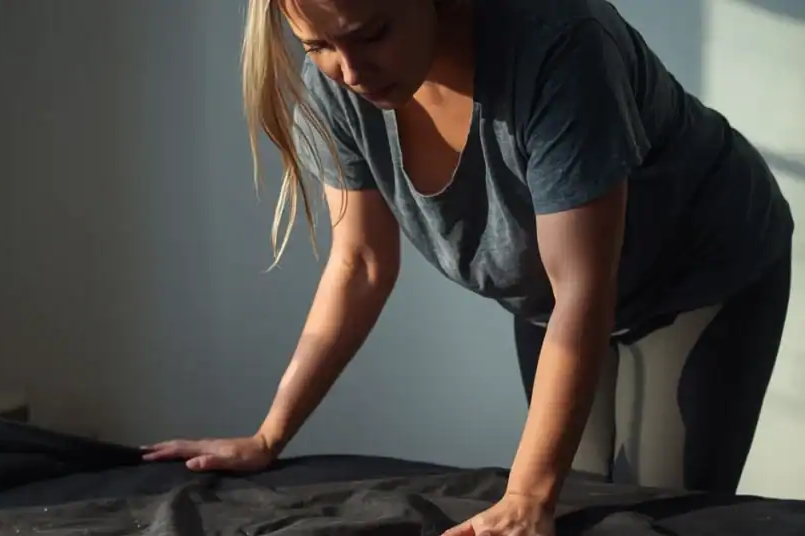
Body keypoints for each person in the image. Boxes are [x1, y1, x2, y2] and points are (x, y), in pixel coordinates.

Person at [143, 0, 795, 534]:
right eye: (318, 47)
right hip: (555, 298)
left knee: (644, 516)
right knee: (577, 508)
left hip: (700, 271)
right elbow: (363, 264)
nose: (351, 71)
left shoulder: (562, 46)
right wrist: (268, 436)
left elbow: (582, 289)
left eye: (372, 35)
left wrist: (527, 497)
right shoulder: (340, 87)